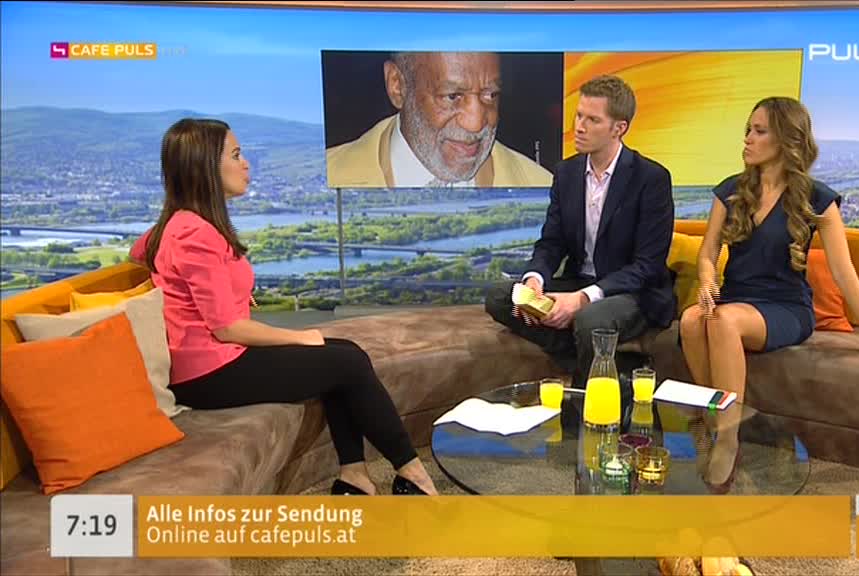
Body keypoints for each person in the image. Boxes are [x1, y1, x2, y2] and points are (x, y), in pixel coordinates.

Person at [130, 118, 438, 496]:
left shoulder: (177, 224)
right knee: (348, 362)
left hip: (208, 364)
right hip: (209, 374)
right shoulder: (196, 232)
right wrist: (298, 337)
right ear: (204, 166)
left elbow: (140, 253)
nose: (246, 164)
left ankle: (354, 476)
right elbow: (227, 328)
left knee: (342, 356)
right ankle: (412, 472)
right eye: (236, 156)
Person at [679, 96, 859, 492]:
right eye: (748, 129)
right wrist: (708, 280)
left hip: (785, 307)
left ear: (785, 140)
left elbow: (844, 272)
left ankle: (728, 438)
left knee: (721, 321)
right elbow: (708, 252)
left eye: (759, 131)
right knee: (692, 320)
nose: (747, 138)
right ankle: (713, 417)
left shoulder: (817, 198)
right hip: (736, 299)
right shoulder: (730, 191)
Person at [485, 75, 676, 387]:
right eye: (578, 116)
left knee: (590, 319)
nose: (579, 127)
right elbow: (552, 242)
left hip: (632, 293)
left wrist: (582, 299)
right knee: (502, 297)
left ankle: (583, 397)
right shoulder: (567, 172)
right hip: (579, 280)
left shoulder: (650, 178)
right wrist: (535, 279)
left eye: (592, 120)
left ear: (619, 128)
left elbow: (647, 266)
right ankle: (594, 359)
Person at [325, 51, 553, 188]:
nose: (475, 124)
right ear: (397, 85)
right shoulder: (328, 172)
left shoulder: (544, 184)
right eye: (452, 96)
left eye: (490, 95)